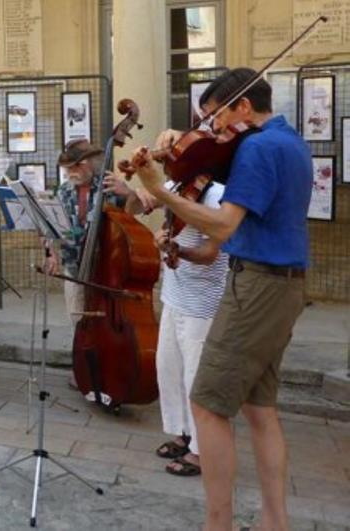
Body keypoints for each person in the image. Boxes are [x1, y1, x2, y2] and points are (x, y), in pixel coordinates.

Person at [131, 68, 310, 531]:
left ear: (243, 108)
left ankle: (218, 525)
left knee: (207, 405)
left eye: (215, 117)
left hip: (258, 285)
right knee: (259, 409)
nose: (212, 130)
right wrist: (180, 156)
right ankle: (275, 522)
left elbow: (223, 226)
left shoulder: (258, 147)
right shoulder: (286, 140)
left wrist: (157, 189)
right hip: (283, 284)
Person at [104, 160, 229, 477]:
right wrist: (130, 192)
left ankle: (203, 451)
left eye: (170, 159)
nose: (166, 166)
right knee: (168, 368)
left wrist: (176, 249)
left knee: (195, 377)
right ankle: (182, 433)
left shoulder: (217, 195)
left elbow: (211, 253)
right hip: (174, 295)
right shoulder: (174, 187)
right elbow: (134, 209)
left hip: (202, 302)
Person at [43, 139, 108, 323]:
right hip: (72, 265)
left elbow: (132, 211)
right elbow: (47, 226)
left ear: (89, 164)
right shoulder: (63, 191)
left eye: (75, 166)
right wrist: (50, 253)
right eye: (67, 168)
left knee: (103, 323)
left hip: (104, 268)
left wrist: (129, 194)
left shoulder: (108, 186)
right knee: (77, 321)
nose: (70, 172)